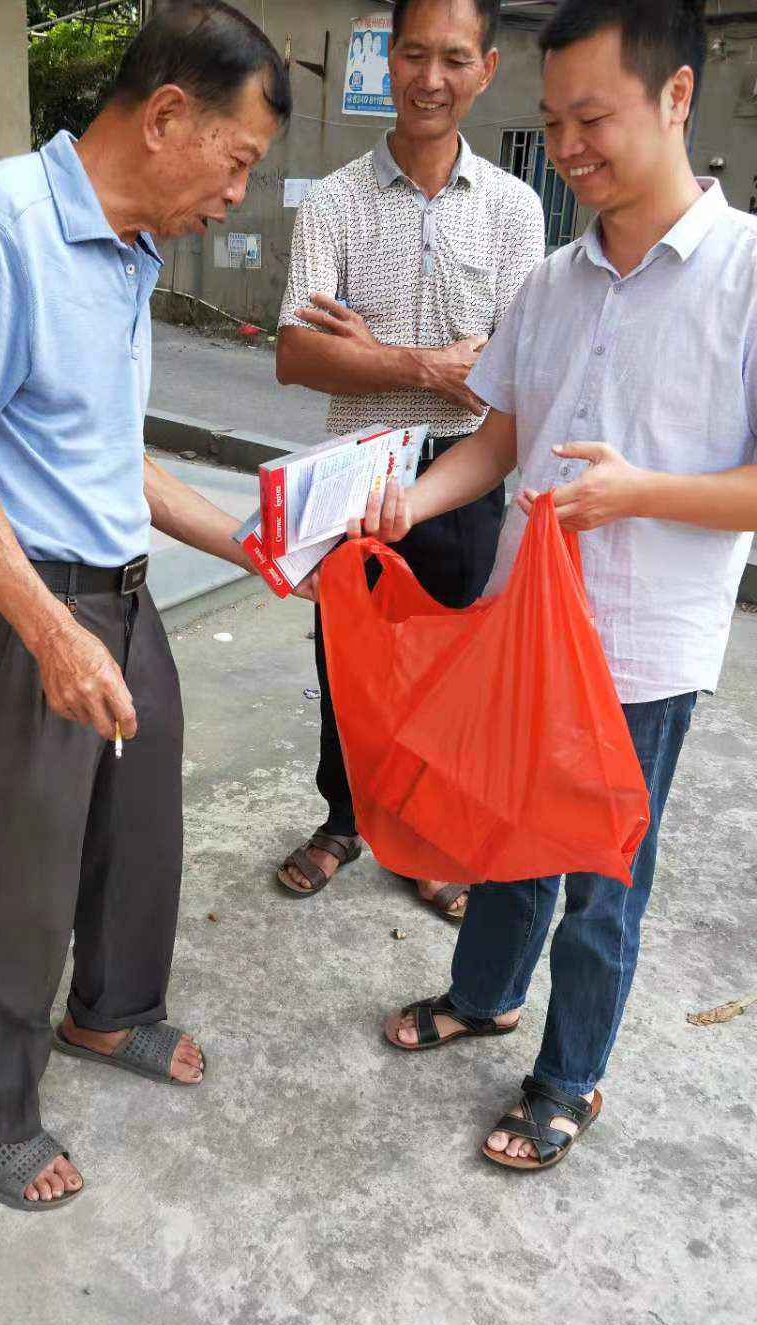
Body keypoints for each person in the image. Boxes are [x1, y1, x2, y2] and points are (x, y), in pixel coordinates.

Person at [0, 1, 291, 1213]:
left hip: (120, 592)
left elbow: (111, 455)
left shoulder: (128, 253)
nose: (237, 196)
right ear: (167, 115)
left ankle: (109, 1010)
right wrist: (51, 633)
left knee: (139, 821)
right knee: (16, 872)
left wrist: (250, 542)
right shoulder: (1, 221)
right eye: (236, 160)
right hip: (26, 609)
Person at [377, 0, 757, 1169]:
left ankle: (570, 1077)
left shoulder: (746, 275)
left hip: (642, 651)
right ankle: (486, 995)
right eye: (551, 122)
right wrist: (415, 502)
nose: (569, 147)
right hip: (525, 622)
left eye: (592, 118)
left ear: (677, 97)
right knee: (506, 834)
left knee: (600, 877)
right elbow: (502, 436)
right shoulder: (553, 281)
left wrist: (642, 491)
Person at [275, 0, 545, 918]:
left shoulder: (514, 211)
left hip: (467, 471)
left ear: (487, 68)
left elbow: (510, 370)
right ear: (385, 59)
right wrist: (427, 364)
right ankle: (344, 820)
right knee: (348, 659)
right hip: (356, 471)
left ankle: (427, 835)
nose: (431, 79)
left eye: (454, 59)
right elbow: (296, 354)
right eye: (414, 55)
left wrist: (367, 347)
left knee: (450, 663)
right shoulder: (334, 202)